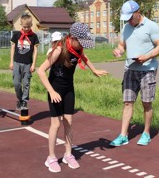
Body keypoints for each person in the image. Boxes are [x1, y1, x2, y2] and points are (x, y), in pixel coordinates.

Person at [37, 22, 108, 173]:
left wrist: (94, 70)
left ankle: (68, 154)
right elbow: (41, 71)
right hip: (55, 90)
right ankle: (51, 158)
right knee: (56, 124)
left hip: (69, 89)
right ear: (73, 38)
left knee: (68, 122)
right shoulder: (59, 50)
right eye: (81, 42)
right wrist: (51, 91)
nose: (82, 46)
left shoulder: (78, 48)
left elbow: (85, 57)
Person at [109, 0, 159, 147]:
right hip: (129, 69)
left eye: (130, 17)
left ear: (137, 12)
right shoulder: (126, 28)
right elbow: (122, 45)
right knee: (127, 102)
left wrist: (147, 57)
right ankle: (123, 135)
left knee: (146, 103)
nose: (128, 20)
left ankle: (146, 133)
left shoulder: (151, 26)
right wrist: (118, 51)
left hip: (147, 70)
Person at [10, 14, 39, 110]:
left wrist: (34, 64)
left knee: (26, 83)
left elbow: (35, 51)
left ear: (31, 25)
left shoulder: (34, 37)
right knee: (17, 83)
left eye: (28, 27)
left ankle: (24, 101)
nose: (26, 29)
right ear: (21, 25)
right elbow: (13, 48)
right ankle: (20, 99)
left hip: (27, 63)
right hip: (17, 62)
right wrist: (11, 62)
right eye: (24, 27)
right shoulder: (17, 35)